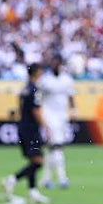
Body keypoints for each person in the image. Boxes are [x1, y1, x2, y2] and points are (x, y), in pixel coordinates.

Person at [1, 63, 51, 204]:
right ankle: (12, 179)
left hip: (23, 127)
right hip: (31, 129)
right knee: (38, 161)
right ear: (37, 72)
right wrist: (45, 127)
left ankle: (32, 191)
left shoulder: (24, 89)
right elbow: (35, 111)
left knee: (32, 160)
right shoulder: (34, 89)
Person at [36, 56, 76, 189]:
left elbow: (70, 95)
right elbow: (37, 96)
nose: (55, 65)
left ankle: (45, 179)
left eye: (57, 63)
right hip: (49, 114)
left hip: (62, 116)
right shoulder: (45, 80)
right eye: (53, 63)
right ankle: (62, 178)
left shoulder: (66, 79)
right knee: (56, 145)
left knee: (53, 148)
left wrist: (73, 110)